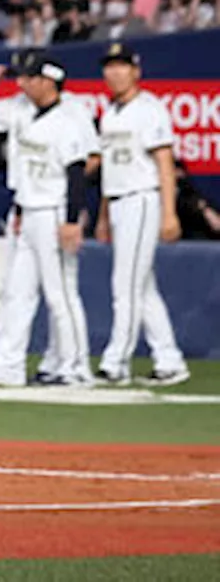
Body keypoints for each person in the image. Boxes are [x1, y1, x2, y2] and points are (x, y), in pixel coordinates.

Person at [0, 56, 96, 388]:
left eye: (30, 77)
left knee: (60, 293)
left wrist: (71, 221)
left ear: (49, 81)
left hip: (54, 209)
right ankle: (7, 366)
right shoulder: (20, 107)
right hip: (27, 208)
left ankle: (75, 367)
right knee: (17, 291)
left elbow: (77, 172)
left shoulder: (69, 118)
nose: (22, 82)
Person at [92, 43, 190, 386]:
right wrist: (103, 217)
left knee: (126, 285)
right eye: (109, 66)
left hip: (142, 198)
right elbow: (107, 171)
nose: (114, 72)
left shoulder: (150, 109)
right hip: (119, 200)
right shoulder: (110, 112)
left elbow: (165, 164)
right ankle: (170, 359)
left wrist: (169, 214)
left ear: (136, 71)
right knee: (142, 287)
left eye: (122, 66)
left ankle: (116, 361)